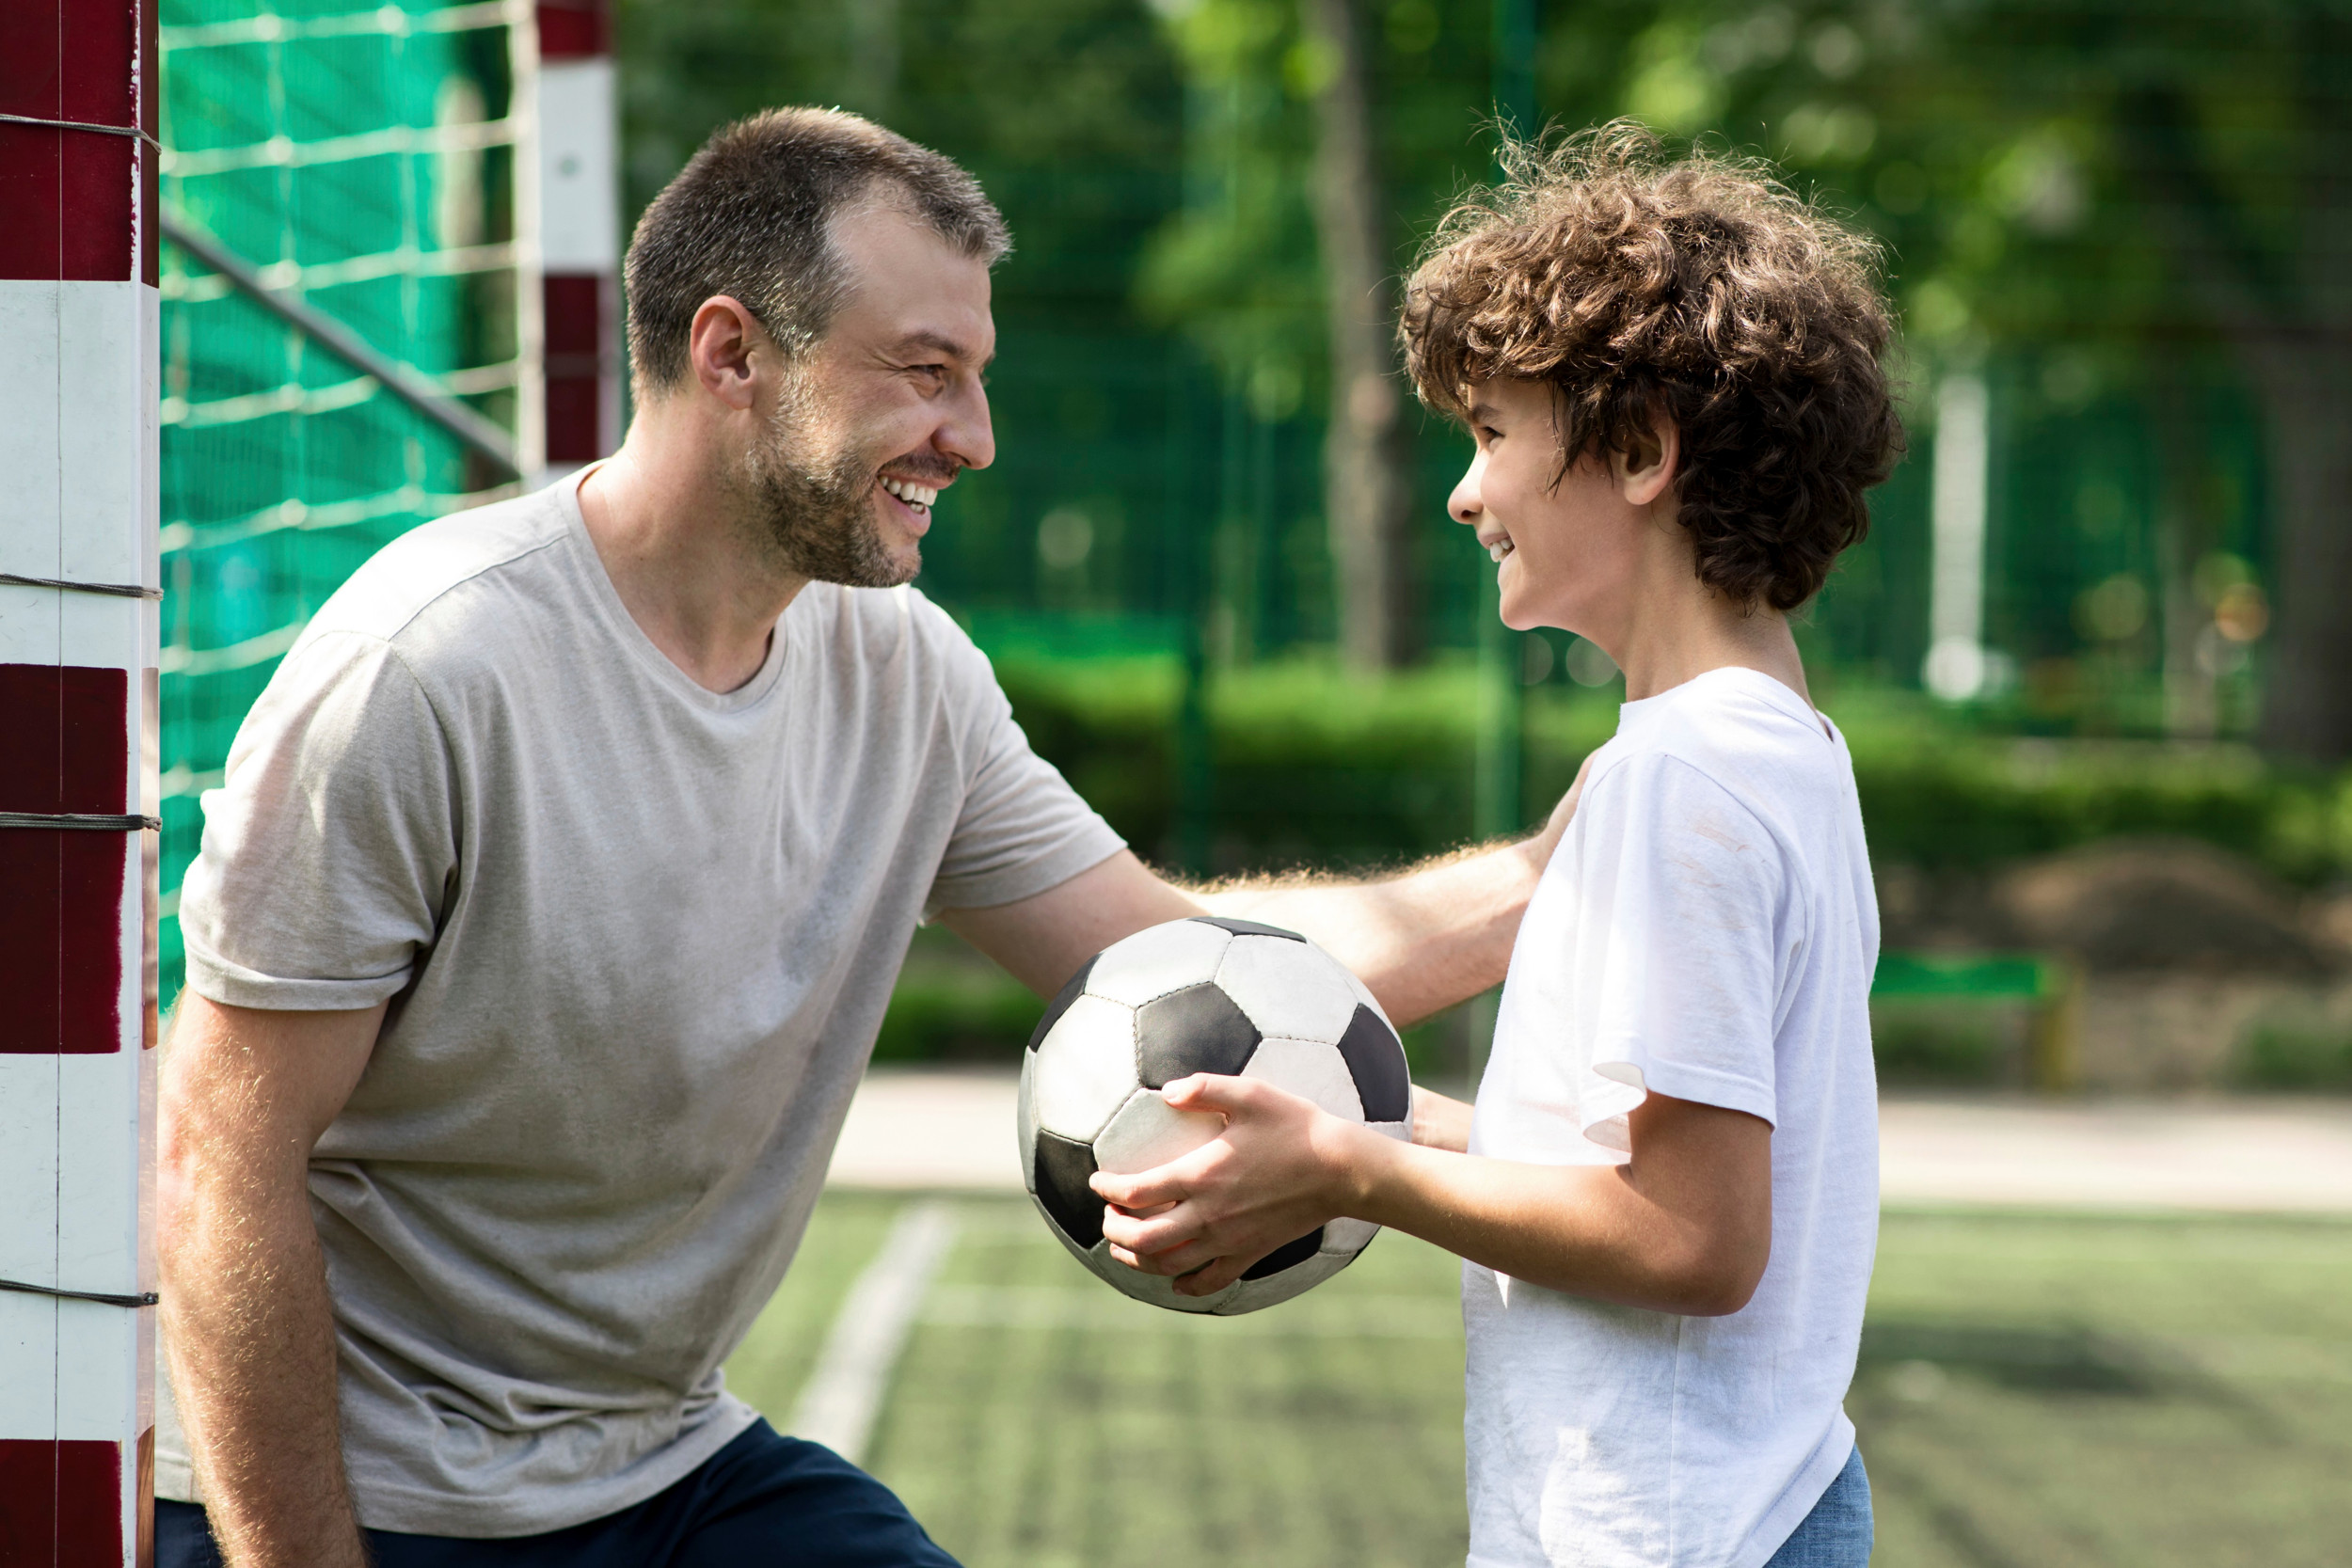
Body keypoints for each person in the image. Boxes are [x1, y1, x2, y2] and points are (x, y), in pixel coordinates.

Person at [153, 107, 1574, 1568]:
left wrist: (1565, 878)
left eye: (977, 377)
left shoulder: (904, 674)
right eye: (924, 371)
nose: (976, 437)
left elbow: (1193, 967)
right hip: (359, 1498)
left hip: (661, 1465)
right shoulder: (426, 669)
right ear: (732, 355)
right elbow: (215, 1165)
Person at [1091, 123, 1901, 1568]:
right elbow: (1610, 1167)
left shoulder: (1685, 778)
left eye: (1492, 434)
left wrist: (1354, 1177)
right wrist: (1357, 1123)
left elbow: (1693, 1242)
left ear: (1639, 450)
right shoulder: (1779, 747)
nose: (1466, 494)